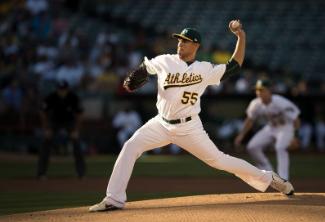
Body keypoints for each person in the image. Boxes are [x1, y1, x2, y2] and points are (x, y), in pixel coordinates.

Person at [89, 20, 294, 212]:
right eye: (179, 40)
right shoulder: (165, 61)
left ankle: (270, 179)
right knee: (130, 146)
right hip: (160, 123)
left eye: (185, 41)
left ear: (195, 45)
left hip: (189, 127)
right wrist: (134, 76)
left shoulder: (205, 69)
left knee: (219, 161)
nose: (180, 44)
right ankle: (114, 199)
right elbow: (145, 68)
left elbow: (234, 65)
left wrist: (241, 37)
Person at [234, 79, 301, 180]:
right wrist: (241, 135)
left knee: (280, 147)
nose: (259, 92)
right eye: (257, 90)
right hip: (271, 127)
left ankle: (284, 179)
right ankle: (268, 171)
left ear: (269, 90)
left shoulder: (279, 101)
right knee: (252, 146)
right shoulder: (256, 103)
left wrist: (295, 136)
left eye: (262, 90)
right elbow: (250, 120)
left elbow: (296, 119)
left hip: (286, 127)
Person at [36, 80, 86, 179]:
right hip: (54, 121)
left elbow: (79, 114)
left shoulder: (73, 97)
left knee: (76, 142)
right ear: (57, 89)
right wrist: (46, 128)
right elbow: (42, 112)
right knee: (46, 141)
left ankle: (81, 173)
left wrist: (76, 130)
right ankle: (41, 173)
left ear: (67, 89)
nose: (62, 92)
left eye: (64, 90)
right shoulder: (51, 97)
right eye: (60, 89)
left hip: (69, 121)